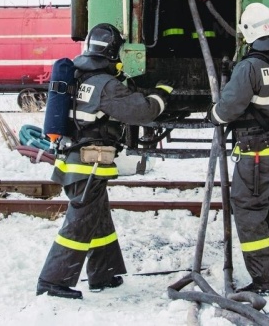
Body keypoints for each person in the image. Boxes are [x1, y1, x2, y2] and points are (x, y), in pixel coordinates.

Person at [36, 23, 172, 300]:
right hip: (87, 166)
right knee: (79, 224)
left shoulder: (80, 77)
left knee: (98, 220)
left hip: (79, 162)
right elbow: (143, 111)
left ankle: (104, 273)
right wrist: (163, 91)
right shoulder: (104, 85)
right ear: (113, 53)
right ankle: (52, 282)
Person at [208, 3, 269, 296]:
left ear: (248, 34)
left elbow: (227, 109)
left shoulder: (249, 67)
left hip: (257, 155)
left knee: (248, 211)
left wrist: (214, 115)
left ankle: (265, 281)